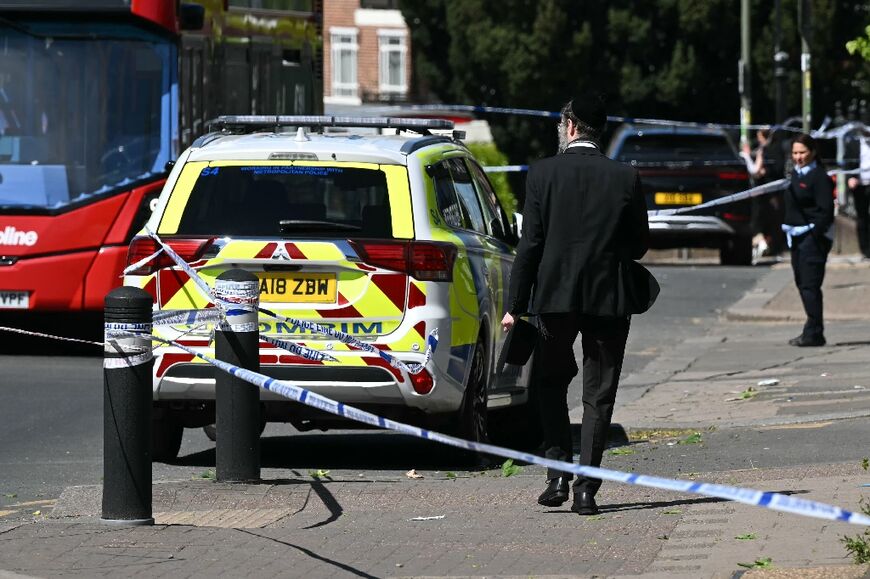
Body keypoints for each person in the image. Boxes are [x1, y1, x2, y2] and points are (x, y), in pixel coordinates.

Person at [501, 94, 650, 516]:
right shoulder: (625, 176)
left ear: (569, 127)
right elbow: (639, 244)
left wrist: (516, 303)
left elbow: (529, 245)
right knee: (599, 394)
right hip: (608, 298)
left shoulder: (543, 173)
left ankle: (556, 474)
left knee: (549, 382)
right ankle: (587, 490)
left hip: (554, 298)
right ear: (596, 131)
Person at [782, 133, 835, 347]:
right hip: (795, 236)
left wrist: (816, 235)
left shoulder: (819, 177)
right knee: (801, 282)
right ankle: (813, 328)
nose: (798, 157)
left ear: (812, 153)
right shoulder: (794, 175)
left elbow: (826, 212)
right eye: (795, 153)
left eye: (802, 152)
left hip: (811, 238)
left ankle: (814, 331)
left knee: (810, 285)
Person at [846, 134, 870, 259]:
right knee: (862, 217)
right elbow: (846, 163)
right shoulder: (853, 144)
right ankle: (865, 249)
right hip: (860, 186)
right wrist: (850, 178)